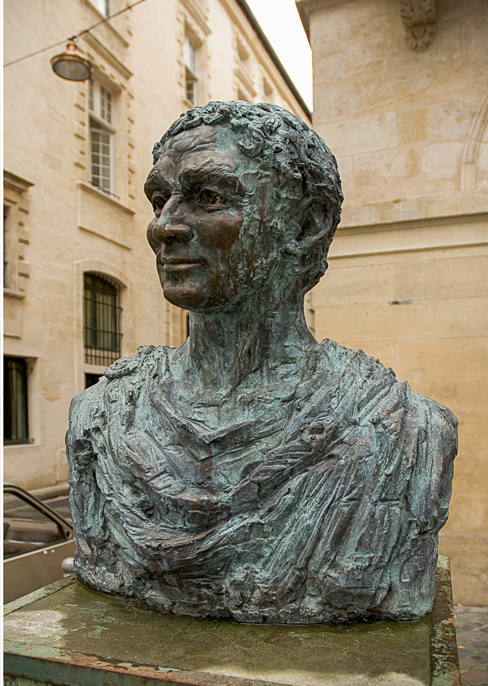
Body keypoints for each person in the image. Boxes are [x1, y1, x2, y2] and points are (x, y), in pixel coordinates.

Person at [66, 101, 456, 624]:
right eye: (160, 200)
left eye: (209, 197)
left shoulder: (405, 432)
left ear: (306, 225)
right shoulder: (101, 417)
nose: (164, 227)